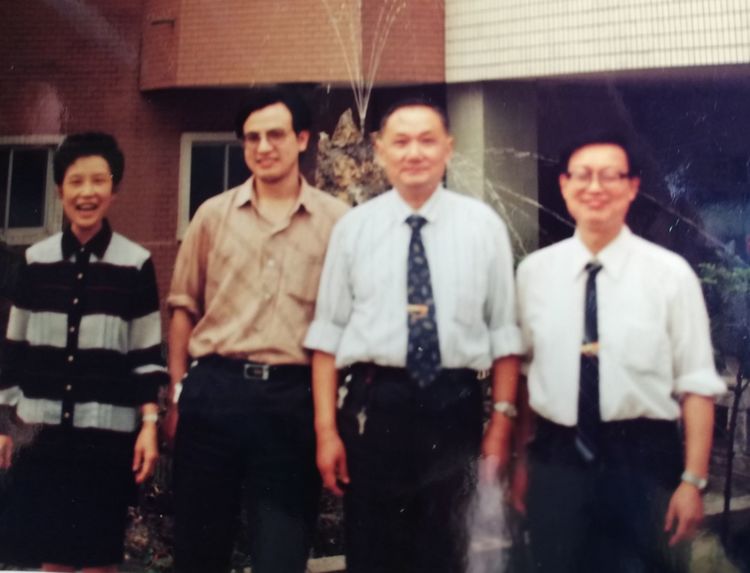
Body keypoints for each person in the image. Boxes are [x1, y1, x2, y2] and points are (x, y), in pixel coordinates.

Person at [305, 98, 522, 573]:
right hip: (375, 404)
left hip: (453, 405)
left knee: (446, 551)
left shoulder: (483, 227)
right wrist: (326, 431)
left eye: (427, 140)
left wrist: (501, 423)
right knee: (373, 552)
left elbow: (505, 335)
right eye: (401, 141)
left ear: (449, 147)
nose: (414, 153)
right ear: (379, 149)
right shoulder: (353, 229)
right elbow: (326, 337)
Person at [513, 133, 726, 573]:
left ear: (632, 187)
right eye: (583, 175)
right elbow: (526, 379)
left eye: (610, 176)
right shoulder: (534, 274)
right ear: (565, 185)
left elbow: (697, 385)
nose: (595, 187)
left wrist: (692, 482)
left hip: (643, 461)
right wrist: (521, 463)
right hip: (557, 458)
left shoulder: (670, 276)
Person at [164, 87, 348, 573]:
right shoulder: (212, 215)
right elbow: (182, 306)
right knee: (199, 552)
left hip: (292, 402)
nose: (263, 147)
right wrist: (179, 392)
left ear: (302, 139)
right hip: (214, 394)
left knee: (281, 554)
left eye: (275, 135)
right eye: (252, 137)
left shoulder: (337, 222)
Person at [0, 132, 166, 572]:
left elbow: (146, 356)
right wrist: (4, 426)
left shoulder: (136, 264)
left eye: (98, 180)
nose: (86, 193)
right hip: (42, 442)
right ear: (60, 190)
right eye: (75, 181)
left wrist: (149, 426)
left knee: (98, 562)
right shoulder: (35, 262)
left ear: (114, 188)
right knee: (51, 561)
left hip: (105, 445)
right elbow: (13, 351)